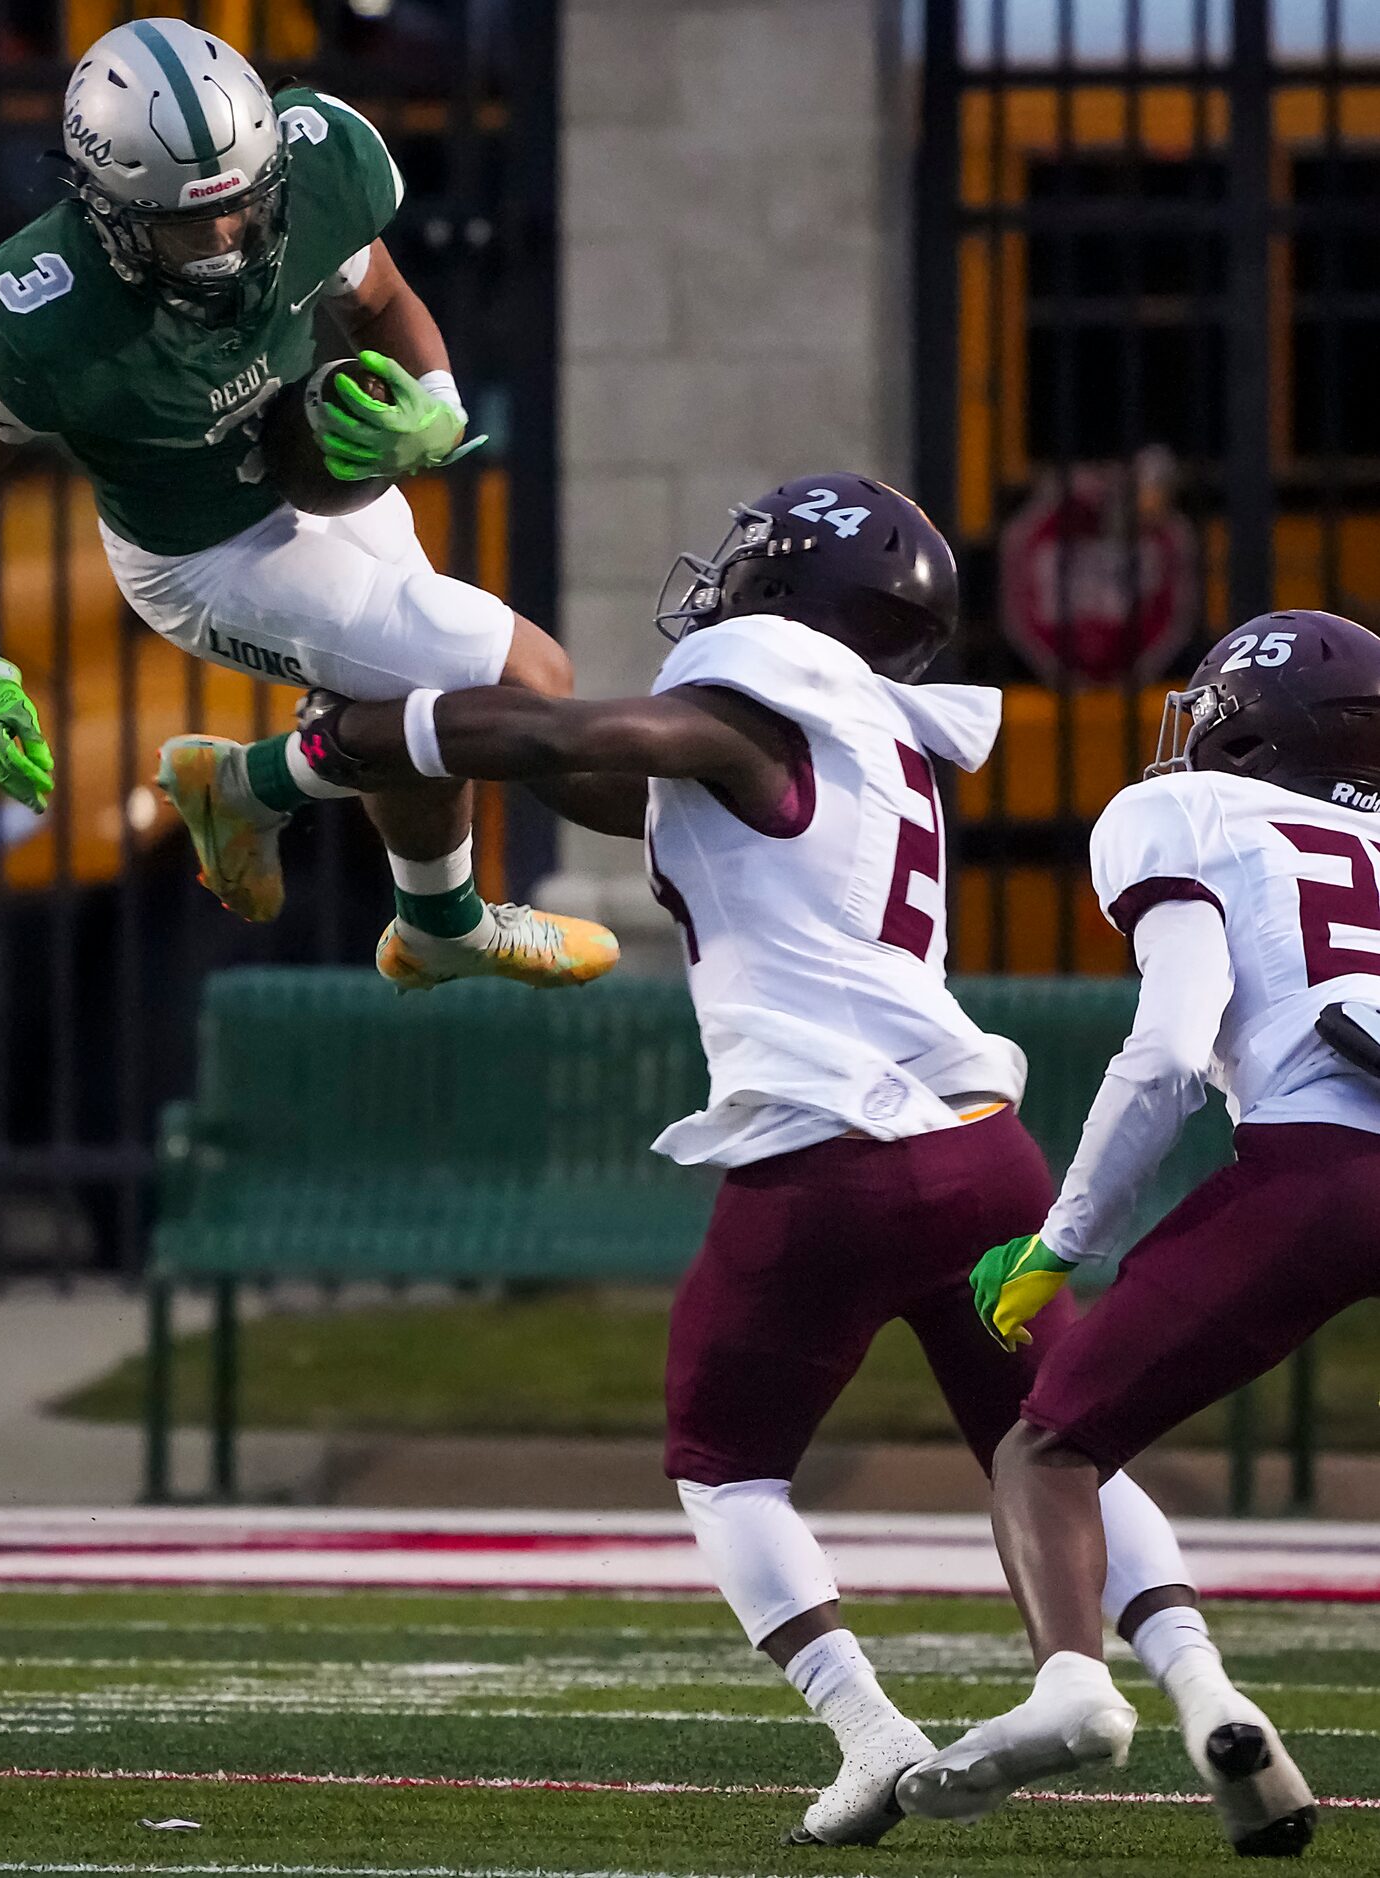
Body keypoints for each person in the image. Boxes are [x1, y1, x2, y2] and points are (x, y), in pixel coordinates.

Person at [288, 471, 1266, 1848]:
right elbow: (606, 778)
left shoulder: (763, 708)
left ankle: (869, 1733)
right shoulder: (868, 740)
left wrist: (363, 730)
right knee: (1056, 1440)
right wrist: (438, 741)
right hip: (984, 1152)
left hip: (831, 1161)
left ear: (798, 595)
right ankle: (1201, 1686)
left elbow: (576, 729)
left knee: (724, 1459)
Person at [0, 17, 617, 992]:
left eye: (239, 204)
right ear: (102, 203)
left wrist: (438, 414)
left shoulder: (315, 160)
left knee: (416, 695)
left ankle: (423, 915)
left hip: (318, 474)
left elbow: (382, 300)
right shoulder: (38, 312)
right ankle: (265, 793)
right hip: (204, 553)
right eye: (186, 220)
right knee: (530, 677)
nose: (224, 239)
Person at [895, 613, 1379, 1859]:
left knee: (1049, 1444)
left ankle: (1068, 1686)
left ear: (1250, 728)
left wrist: (1066, 1240)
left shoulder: (1188, 815)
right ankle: (1223, 1725)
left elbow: (1167, 1051)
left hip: (1318, 1174)